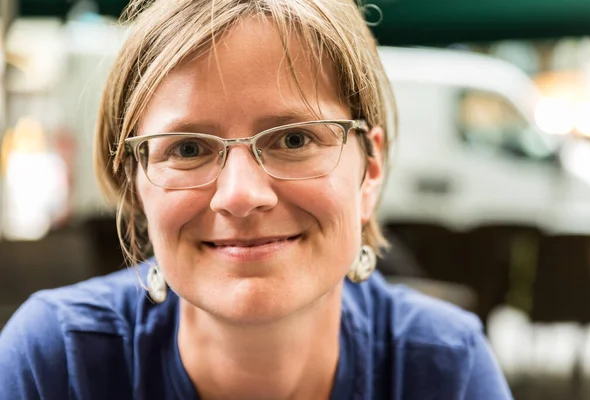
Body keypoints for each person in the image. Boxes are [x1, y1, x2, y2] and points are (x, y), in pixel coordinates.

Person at [0, 0, 513, 398]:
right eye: (188, 148)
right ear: (136, 184)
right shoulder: (56, 363)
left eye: (293, 139)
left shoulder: (444, 367)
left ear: (370, 171)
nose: (241, 195)